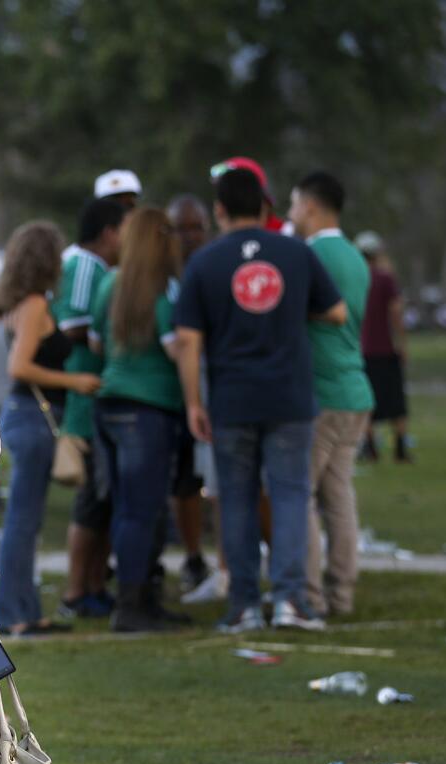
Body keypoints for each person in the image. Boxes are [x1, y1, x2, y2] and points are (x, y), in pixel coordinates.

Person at [174, 168, 345, 634]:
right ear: (267, 207)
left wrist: (193, 402)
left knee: (237, 500)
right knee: (291, 496)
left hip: (232, 399)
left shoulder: (205, 263)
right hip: (290, 395)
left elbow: (188, 340)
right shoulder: (296, 254)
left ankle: (245, 606)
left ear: (220, 209)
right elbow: (337, 311)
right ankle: (291, 601)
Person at [91, 208, 189, 631]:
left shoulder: (111, 283)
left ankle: (138, 598)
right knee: (142, 511)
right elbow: (176, 350)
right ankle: (132, 607)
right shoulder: (163, 289)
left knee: (126, 509)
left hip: (110, 404)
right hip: (148, 409)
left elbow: (96, 341)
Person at [0, 220, 92, 635]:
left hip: (25, 416)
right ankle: (15, 614)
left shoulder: (18, 303)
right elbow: (20, 367)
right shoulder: (34, 305)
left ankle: (27, 611)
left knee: (26, 519)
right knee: (21, 519)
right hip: (33, 417)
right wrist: (76, 381)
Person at [287, 171, 374, 617]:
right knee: (338, 497)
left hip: (321, 392)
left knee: (300, 494)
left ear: (312, 207)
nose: (290, 214)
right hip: (355, 388)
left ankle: (307, 596)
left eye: (294, 204)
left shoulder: (309, 255)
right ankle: (342, 595)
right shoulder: (357, 257)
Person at [56, 198, 125, 619]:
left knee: (103, 500)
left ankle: (95, 585)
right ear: (108, 232)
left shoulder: (100, 268)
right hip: (84, 396)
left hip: (96, 393)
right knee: (90, 500)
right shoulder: (85, 265)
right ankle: (75, 592)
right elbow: (72, 325)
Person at [165, 195, 213, 594]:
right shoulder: (161, 277)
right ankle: (194, 556)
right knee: (184, 483)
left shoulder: (213, 267)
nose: (190, 236)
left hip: (211, 391)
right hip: (171, 396)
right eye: (182, 228)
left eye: (197, 227)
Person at [355, 231, 411, 462]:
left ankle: (370, 447)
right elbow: (396, 312)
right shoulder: (386, 278)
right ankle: (400, 448)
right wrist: (402, 342)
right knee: (396, 400)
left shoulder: (355, 278)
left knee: (368, 401)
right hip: (386, 349)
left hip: (362, 350)